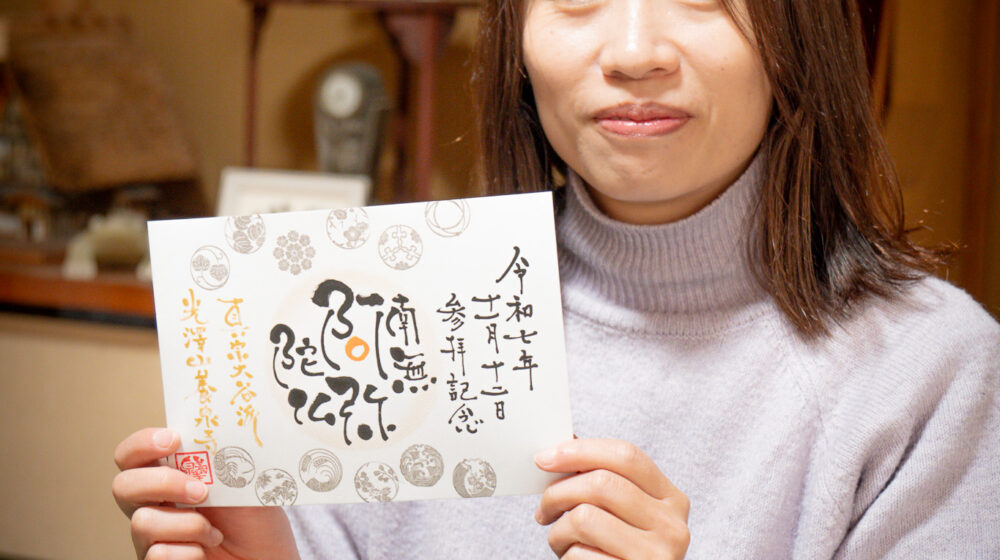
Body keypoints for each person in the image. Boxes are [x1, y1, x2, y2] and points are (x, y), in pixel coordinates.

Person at [112, 0, 1000, 558]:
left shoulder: (930, 371)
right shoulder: (391, 308)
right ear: (518, 38)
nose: (636, 51)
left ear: (797, 30)